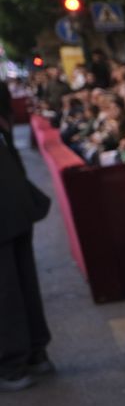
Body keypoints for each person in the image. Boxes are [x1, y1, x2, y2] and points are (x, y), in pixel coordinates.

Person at [0, 124, 51, 391]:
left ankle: (11, 366)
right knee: (22, 281)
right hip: (14, 201)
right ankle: (34, 352)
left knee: (7, 290)